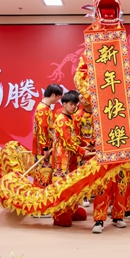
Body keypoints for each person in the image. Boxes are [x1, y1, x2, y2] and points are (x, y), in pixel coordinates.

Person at [51, 91, 91, 227]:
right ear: (64, 104)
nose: (74, 107)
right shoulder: (62, 120)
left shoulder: (70, 118)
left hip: (72, 159)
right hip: (62, 160)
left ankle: (71, 210)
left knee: (72, 185)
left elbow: (74, 138)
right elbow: (67, 143)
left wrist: (86, 145)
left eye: (75, 104)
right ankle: (59, 215)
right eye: (71, 104)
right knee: (62, 187)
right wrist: (82, 151)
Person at [31, 83, 63, 188]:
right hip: (43, 149)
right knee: (43, 176)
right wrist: (45, 148)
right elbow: (42, 129)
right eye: (57, 98)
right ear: (53, 95)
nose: (57, 100)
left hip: (44, 147)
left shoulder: (45, 107)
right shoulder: (43, 109)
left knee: (44, 176)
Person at [73, 93, 95, 207]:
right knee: (83, 172)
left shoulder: (98, 114)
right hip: (85, 149)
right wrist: (87, 144)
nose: (84, 99)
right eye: (81, 98)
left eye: (86, 96)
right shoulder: (77, 116)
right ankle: (84, 196)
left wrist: (95, 142)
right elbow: (75, 135)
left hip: (97, 147)